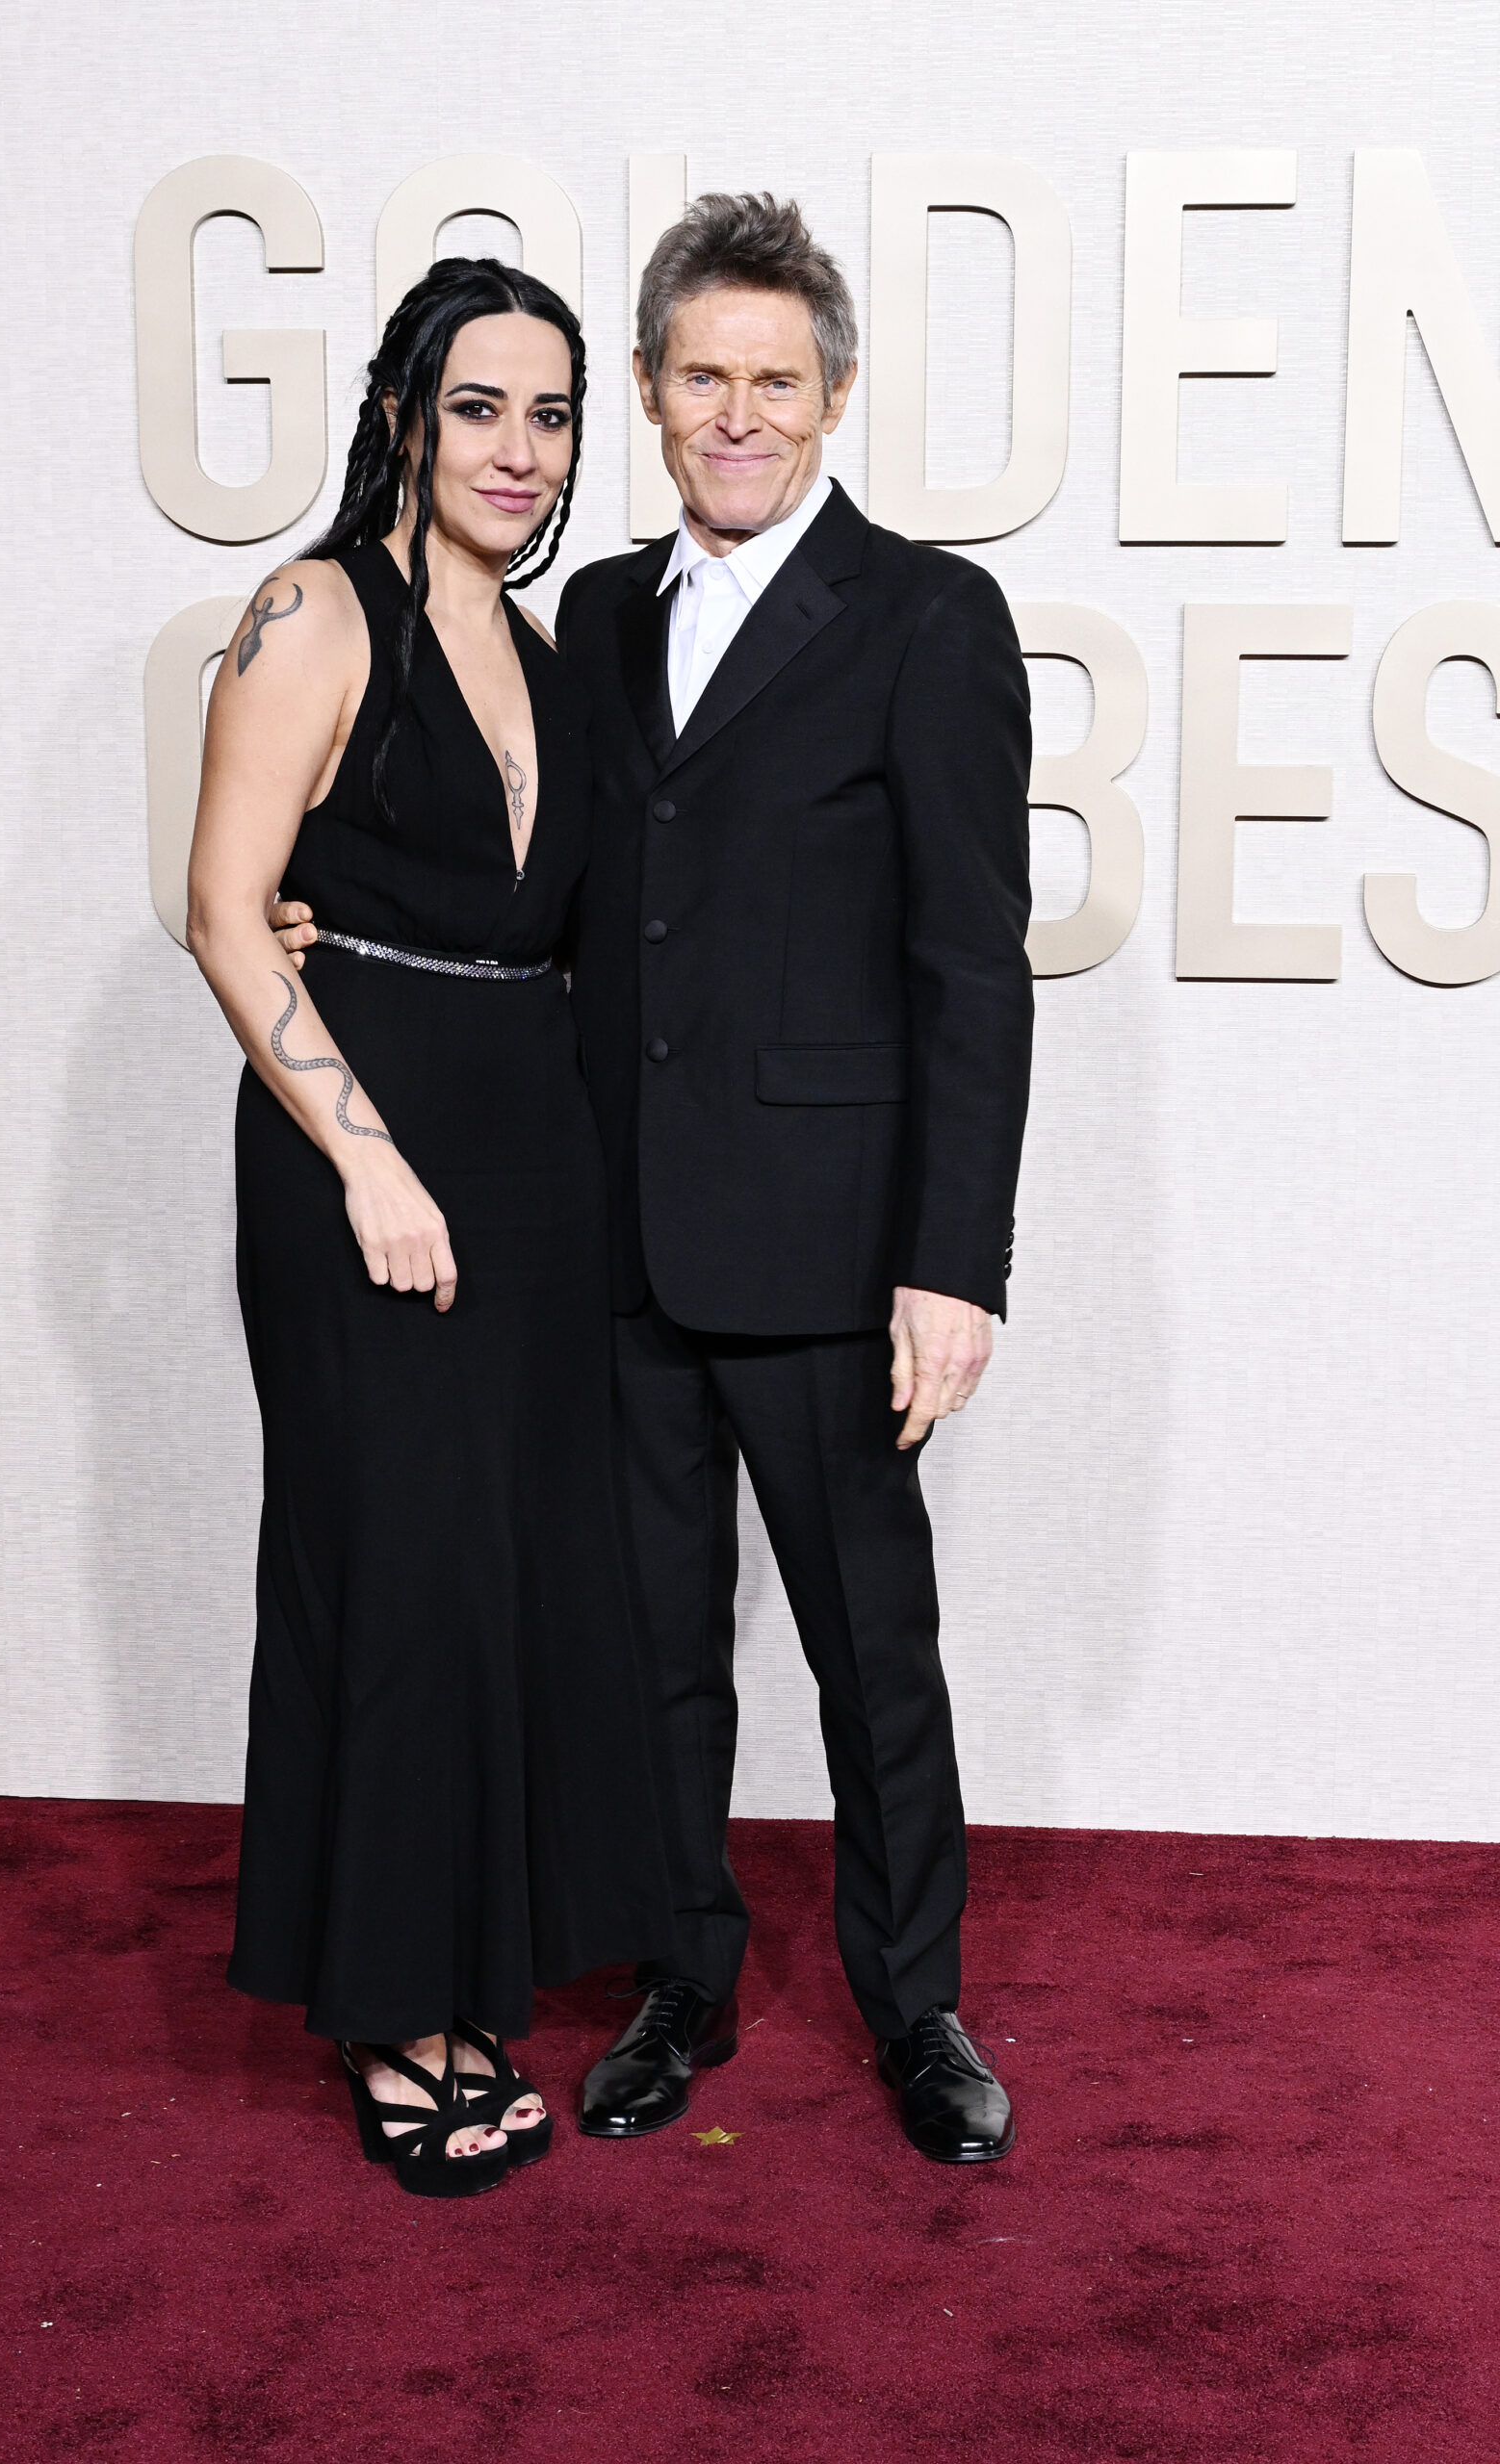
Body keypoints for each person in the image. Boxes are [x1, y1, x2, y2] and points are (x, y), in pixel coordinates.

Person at [187, 257, 672, 2199]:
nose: (516, 448)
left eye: (550, 414)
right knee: (387, 1574)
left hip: (533, 1165)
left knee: (495, 1581)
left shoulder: (550, 655)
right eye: (479, 405)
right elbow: (224, 909)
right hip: (359, 1162)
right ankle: (391, 2012)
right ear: (404, 414)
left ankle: (469, 1976)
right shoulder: (312, 611)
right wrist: (369, 1161)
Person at [556, 194, 1033, 2164]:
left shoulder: (924, 617)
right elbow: (568, 902)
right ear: (650, 391)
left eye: (774, 378)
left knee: (869, 1651)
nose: (736, 412)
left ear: (832, 395)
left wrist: (953, 1260)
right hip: (615, 1235)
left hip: (832, 1250)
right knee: (653, 1646)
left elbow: (969, 964)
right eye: (702, 377)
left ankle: (914, 2003)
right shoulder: (596, 617)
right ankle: (682, 1973)